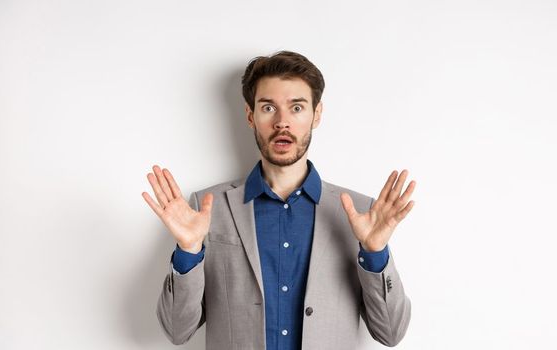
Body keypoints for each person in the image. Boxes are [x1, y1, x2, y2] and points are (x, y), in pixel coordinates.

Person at [143, 51, 414, 349]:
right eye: (268, 107)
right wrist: (188, 251)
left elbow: (390, 333)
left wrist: (374, 253)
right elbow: (176, 331)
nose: (282, 122)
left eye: (296, 107)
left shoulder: (359, 213)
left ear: (317, 114)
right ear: (250, 116)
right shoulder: (207, 208)